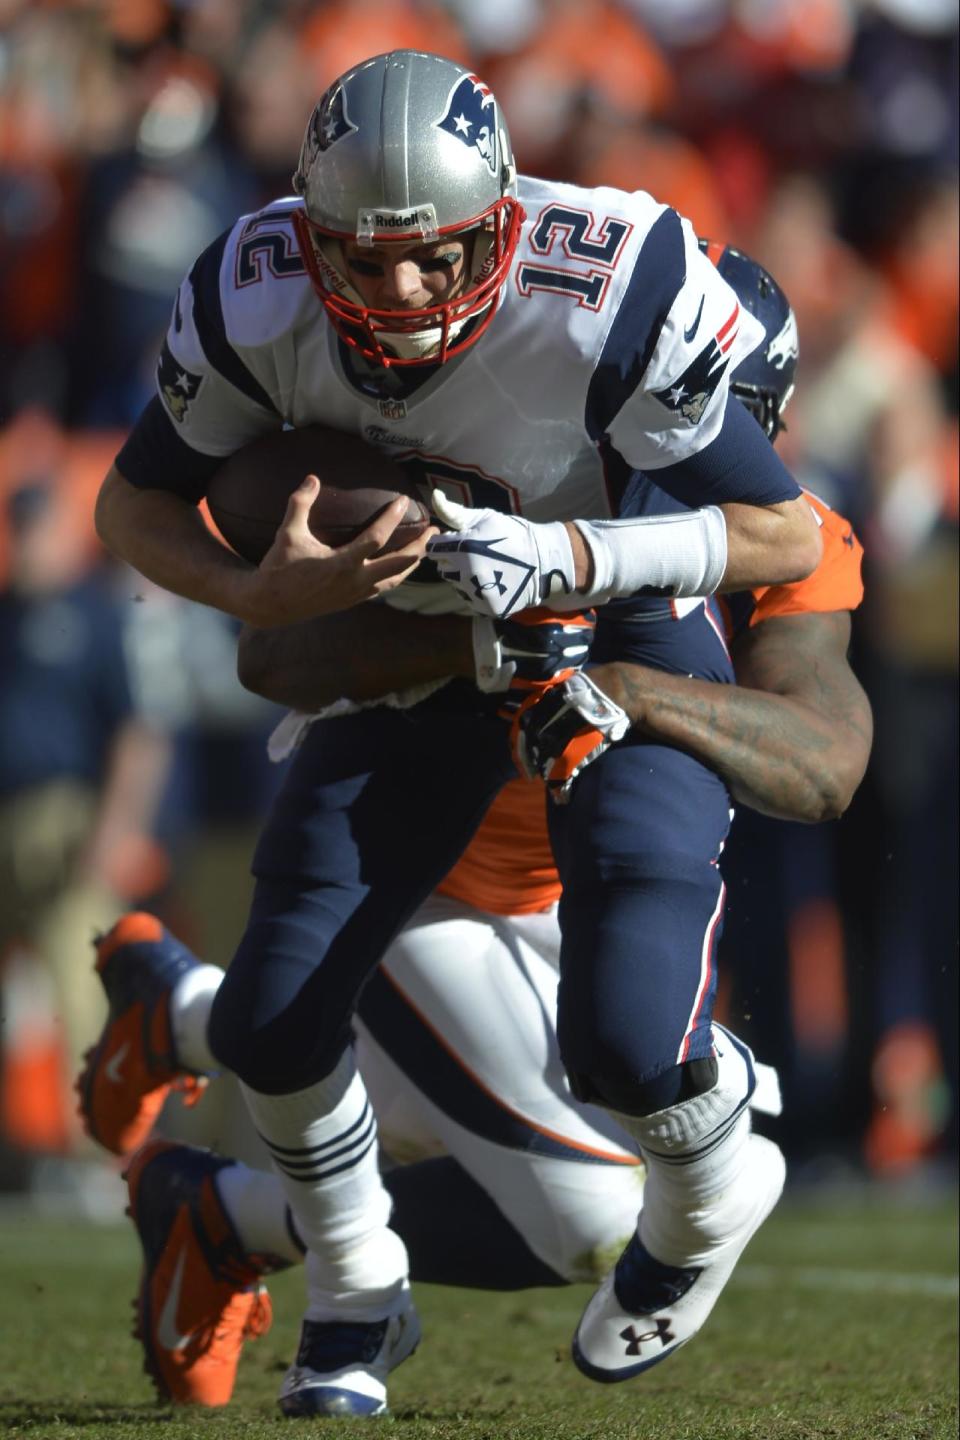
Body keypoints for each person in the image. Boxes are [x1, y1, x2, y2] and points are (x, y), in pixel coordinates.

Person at [91, 50, 824, 1417]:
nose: (406, 292)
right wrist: (273, 590)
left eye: (437, 257)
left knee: (608, 1095)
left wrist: (565, 568)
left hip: (598, 652)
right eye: (366, 262)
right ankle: (344, 1274)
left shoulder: (621, 312)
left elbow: (811, 683)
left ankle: (216, 1120)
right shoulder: (256, 298)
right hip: (442, 725)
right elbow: (195, 571)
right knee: (304, 1025)